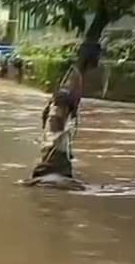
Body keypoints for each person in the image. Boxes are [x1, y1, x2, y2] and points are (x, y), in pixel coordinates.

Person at [30, 41, 100, 182]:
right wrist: (71, 111)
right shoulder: (75, 74)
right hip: (58, 115)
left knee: (55, 149)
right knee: (55, 151)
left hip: (58, 115)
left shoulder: (76, 72)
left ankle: (53, 169)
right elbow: (62, 97)